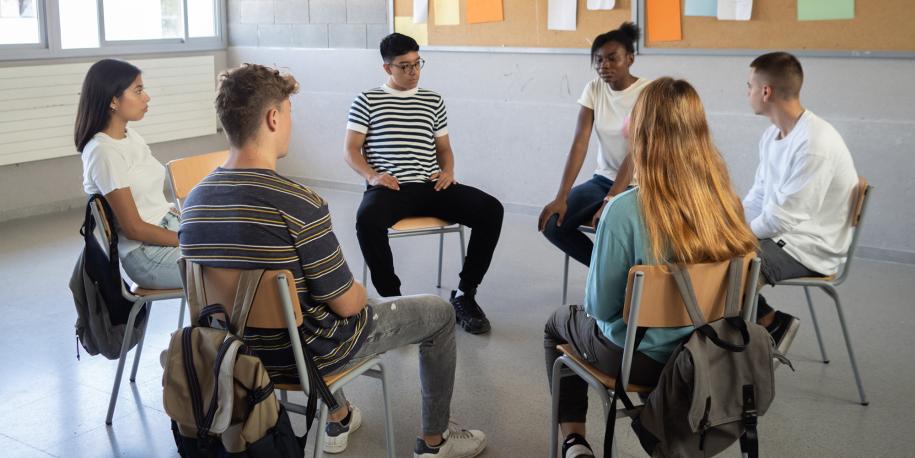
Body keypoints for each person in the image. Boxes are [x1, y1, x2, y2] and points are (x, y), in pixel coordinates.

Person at [179, 64, 487, 458]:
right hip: (306, 354)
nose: (290, 121)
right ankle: (435, 443)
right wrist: (359, 292)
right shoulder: (298, 203)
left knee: (302, 306)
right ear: (273, 118)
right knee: (438, 313)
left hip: (233, 351)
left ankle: (339, 412)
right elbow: (346, 304)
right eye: (289, 112)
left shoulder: (194, 203)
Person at [544, 78, 757, 458]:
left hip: (638, 359)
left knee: (557, 324)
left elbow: (601, 307)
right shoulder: (728, 203)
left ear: (640, 134)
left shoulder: (624, 210)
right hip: (708, 351)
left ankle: (575, 442)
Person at [344, 33, 504, 335]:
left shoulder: (433, 100)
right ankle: (394, 302)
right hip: (389, 187)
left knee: (490, 209)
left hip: (431, 185)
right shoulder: (367, 100)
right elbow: (351, 150)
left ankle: (465, 295)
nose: (413, 71)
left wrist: (448, 170)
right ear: (387, 68)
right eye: (404, 66)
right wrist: (372, 176)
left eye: (418, 64)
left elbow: (444, 149)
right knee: (367, 219)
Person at [743, 52, 859, 353]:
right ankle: (770, 322)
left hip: (810, 247)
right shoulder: (772, 136)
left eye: (749, 86)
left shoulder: (814, 143)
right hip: (785, 235)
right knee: (709, 252)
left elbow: (783, 219)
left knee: (729, 267)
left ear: (765, 91)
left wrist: (735, 237)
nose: (748, 93)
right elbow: (758, 197)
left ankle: (737, 354)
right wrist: (726, 226)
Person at [538, 23, 651, 267]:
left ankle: (621, 283)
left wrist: (611, 201)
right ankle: (611, 276)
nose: (604, 66)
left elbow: (636, 153)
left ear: (630, 59)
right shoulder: (594, 89)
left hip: (641, 185)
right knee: (552, 224)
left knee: (607, 223)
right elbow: (580, 143)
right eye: (598, 60)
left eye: (612, 58)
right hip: (603, 179)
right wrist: (561, 196)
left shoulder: (648, 93)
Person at [76, 59, 181, 289]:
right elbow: (134, 228)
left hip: (167, 229)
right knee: (230, 266)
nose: (147, 97)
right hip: (147, 254)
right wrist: (188, 240)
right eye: (139, 90)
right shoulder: (104, 152)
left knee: (240, 248)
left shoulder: (129, 135)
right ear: (114, 100)